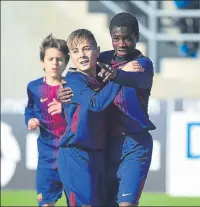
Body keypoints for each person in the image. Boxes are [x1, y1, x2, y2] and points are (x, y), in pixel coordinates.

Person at [57, 12, 155, 207]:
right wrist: (62, 90)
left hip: (134, 143)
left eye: (127, 38)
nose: (121, 43)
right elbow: (79, 67)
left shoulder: (142, 64)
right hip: (106, 146)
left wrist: (118, 74)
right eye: (116, 38)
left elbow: (132, 79)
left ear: (137, 37)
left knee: (125, 204)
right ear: (110, 38)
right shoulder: (103, 58)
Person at [57, 29, 122, 206]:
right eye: (75, 51)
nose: (82, 55)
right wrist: (119, 79)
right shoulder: (74, 80)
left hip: (98, 155)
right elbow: (95, 104)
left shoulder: (100, 78)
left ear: (98, 51)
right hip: (75, 153)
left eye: (86, 48)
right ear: (71, 55)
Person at [24, 34, 69, 207]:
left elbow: (85, 112)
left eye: (59, 59)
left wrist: (65, 108)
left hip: (72, 156)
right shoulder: (34, 87)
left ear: (66, 62)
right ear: (43, 62)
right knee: (45, 204)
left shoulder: (74, 85)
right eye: (50, 59)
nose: (55, 63)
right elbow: (29, 108)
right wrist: (30, 119)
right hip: (47, 159)